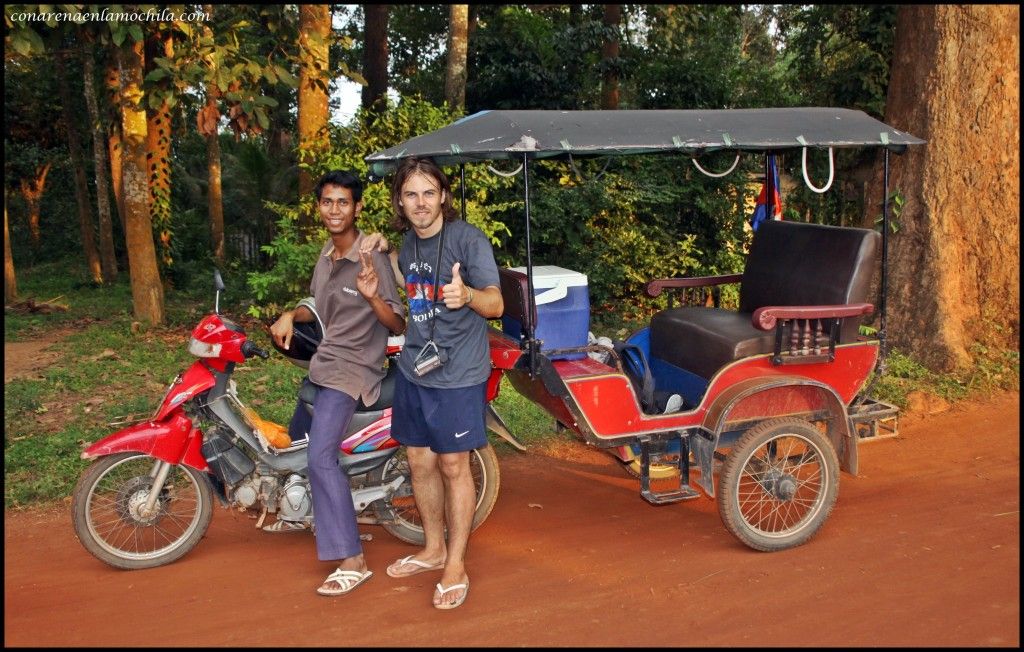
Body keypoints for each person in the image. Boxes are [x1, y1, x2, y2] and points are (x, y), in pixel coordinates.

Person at [364, 157, 502, 609]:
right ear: (400, 202)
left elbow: (496, 304)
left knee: (453, 466)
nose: (420, 203)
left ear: (443, 195)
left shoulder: (469, 240)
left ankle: (456, 563)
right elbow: (410, 282)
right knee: (419, 461)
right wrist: (386, 253)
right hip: (414, 369)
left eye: (428, 193)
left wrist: (469, 296)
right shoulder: (408, 243)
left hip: (458, 374)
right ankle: (432, 547)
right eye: (411, 195)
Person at [269, 170, 405, 596]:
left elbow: (397, 320)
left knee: (320, 457)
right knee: (295, 437)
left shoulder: (371, 256)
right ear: (319, 208)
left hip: (354, 370)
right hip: (325, 364)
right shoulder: (327, 254)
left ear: (357, 208)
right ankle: (300, 508)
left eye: (343, 202)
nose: (334, 210)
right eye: (327, 202)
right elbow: (317, 308)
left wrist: (370, 296)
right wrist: (292, 314)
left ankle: (352, 558)